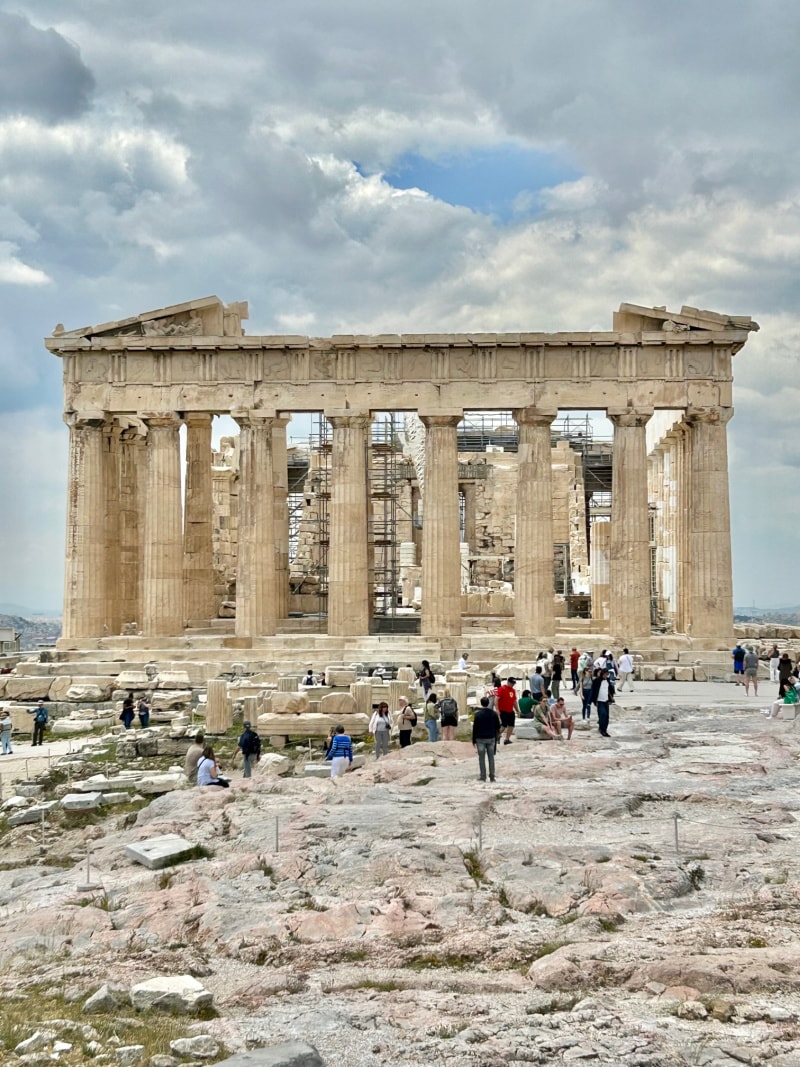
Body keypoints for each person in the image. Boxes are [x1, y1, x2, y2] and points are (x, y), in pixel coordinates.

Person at [473, 696, 499, 782]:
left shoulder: (477, 715)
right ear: (488, 703)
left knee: (481, 758)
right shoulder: (493, 714)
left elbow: (475, 728)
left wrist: (473, 739)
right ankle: (492, 776)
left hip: (480, 738)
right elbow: (498, 727)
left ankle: (483, 776)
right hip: (491, 738)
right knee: (491, 757)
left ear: (481, 703)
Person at [590, 668, 615, 737]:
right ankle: (602, 729)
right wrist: (593, 701)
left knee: (606, 716)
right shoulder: (597, 681)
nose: (606, 676)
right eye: (605, 674)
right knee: (602, 714)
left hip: (606, 700)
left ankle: (604, 729)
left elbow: (609, 690)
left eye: (607, 674)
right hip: (599, 701)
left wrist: (611, 697)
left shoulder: (607, 680)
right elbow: (593, 691)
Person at [496, 676, 519, 745]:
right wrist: (497, 709)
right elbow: (496, 699)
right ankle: (496, 736)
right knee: (503, 726)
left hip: (510, 711)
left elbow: (514, 701)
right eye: (512, 683)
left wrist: (517, 710)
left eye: (513, 683)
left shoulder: (513, 691)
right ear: (508, 682)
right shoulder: (502, 689)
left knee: (511, 725)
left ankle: (507, 739)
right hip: (503, 710)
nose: (513, 684)